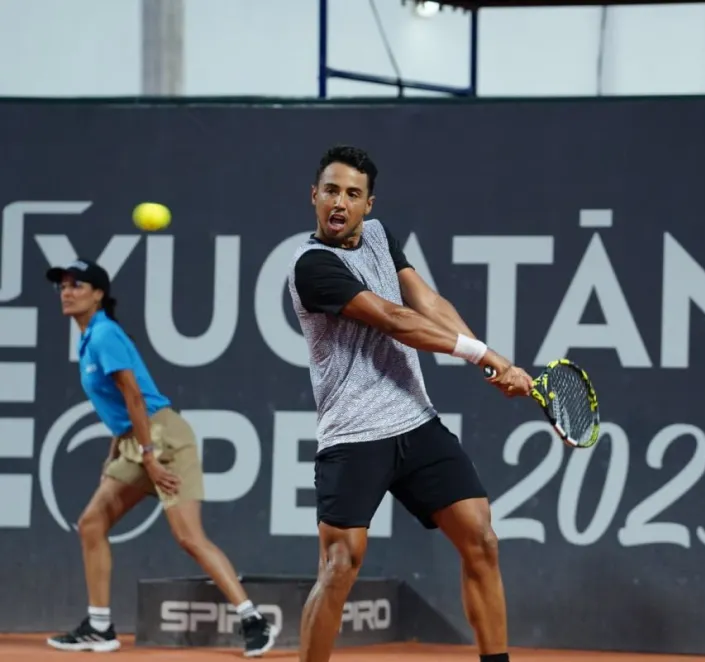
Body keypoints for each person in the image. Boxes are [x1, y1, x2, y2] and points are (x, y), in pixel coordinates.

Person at [288, 145, 534, 662]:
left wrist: (488, 364)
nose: (340, 202)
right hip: (354, 435)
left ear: (368, 205)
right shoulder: (312, 267)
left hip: (415, 421)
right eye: (330, 190)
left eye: (352, 194)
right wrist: (484, 353)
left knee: (481, 539)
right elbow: (395, 319)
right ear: (314, 196)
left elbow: (428, 302)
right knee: (340, 564)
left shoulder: (379, 237)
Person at [43, 259, 279, 658]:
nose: (67, 292)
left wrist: (148, 456)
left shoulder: (103, 335)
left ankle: (254, 620)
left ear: (97, 294)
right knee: (91, 524)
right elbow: (120, 408)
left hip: (163, 439)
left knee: (189, 537)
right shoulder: (89, 339)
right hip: (137, 442)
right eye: (63, 285)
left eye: (77, 285)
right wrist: (117, 450)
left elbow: (135, 396)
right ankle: (99, 626)